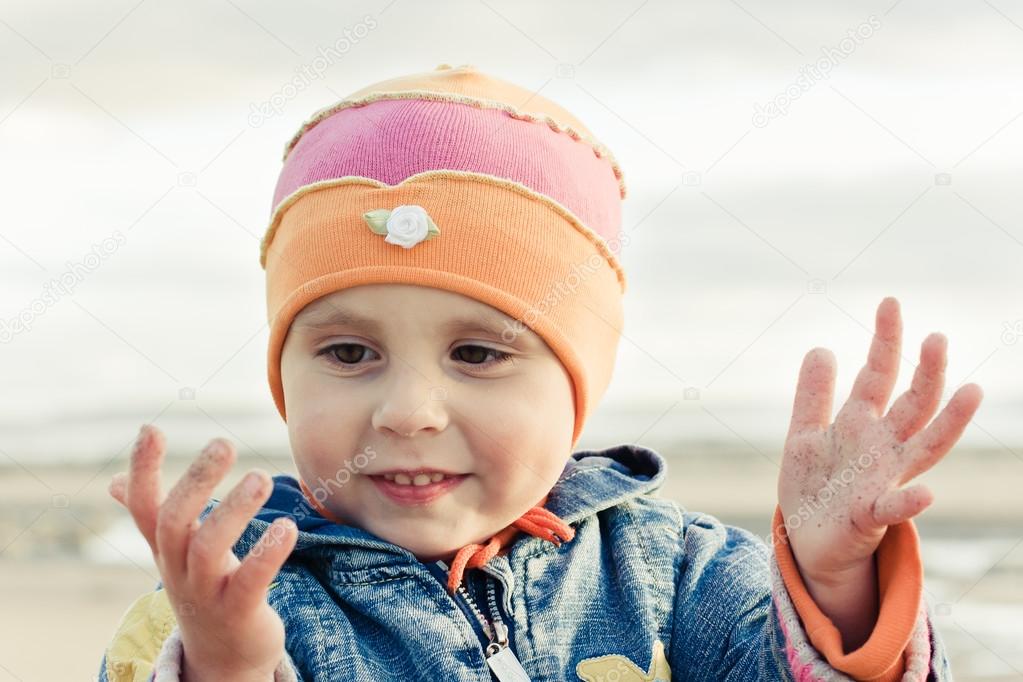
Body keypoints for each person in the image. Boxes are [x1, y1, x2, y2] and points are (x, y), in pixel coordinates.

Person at [96, 63, 982, 681]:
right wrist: (229, 668)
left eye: (478, 353)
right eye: (348, 353)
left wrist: (836, 589)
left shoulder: (676, 573)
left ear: (578, 383)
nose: (407, 411)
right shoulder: (221, 607)